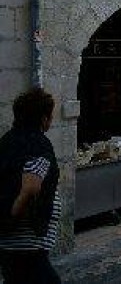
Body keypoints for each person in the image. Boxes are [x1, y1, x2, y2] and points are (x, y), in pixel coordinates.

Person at [0, 88, 62, 284]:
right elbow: (31, 186)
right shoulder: (38, 143)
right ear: (43, 118)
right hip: (28, 240)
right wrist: (14, 213)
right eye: (50, 115)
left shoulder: (7, 141)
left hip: (8, 241)